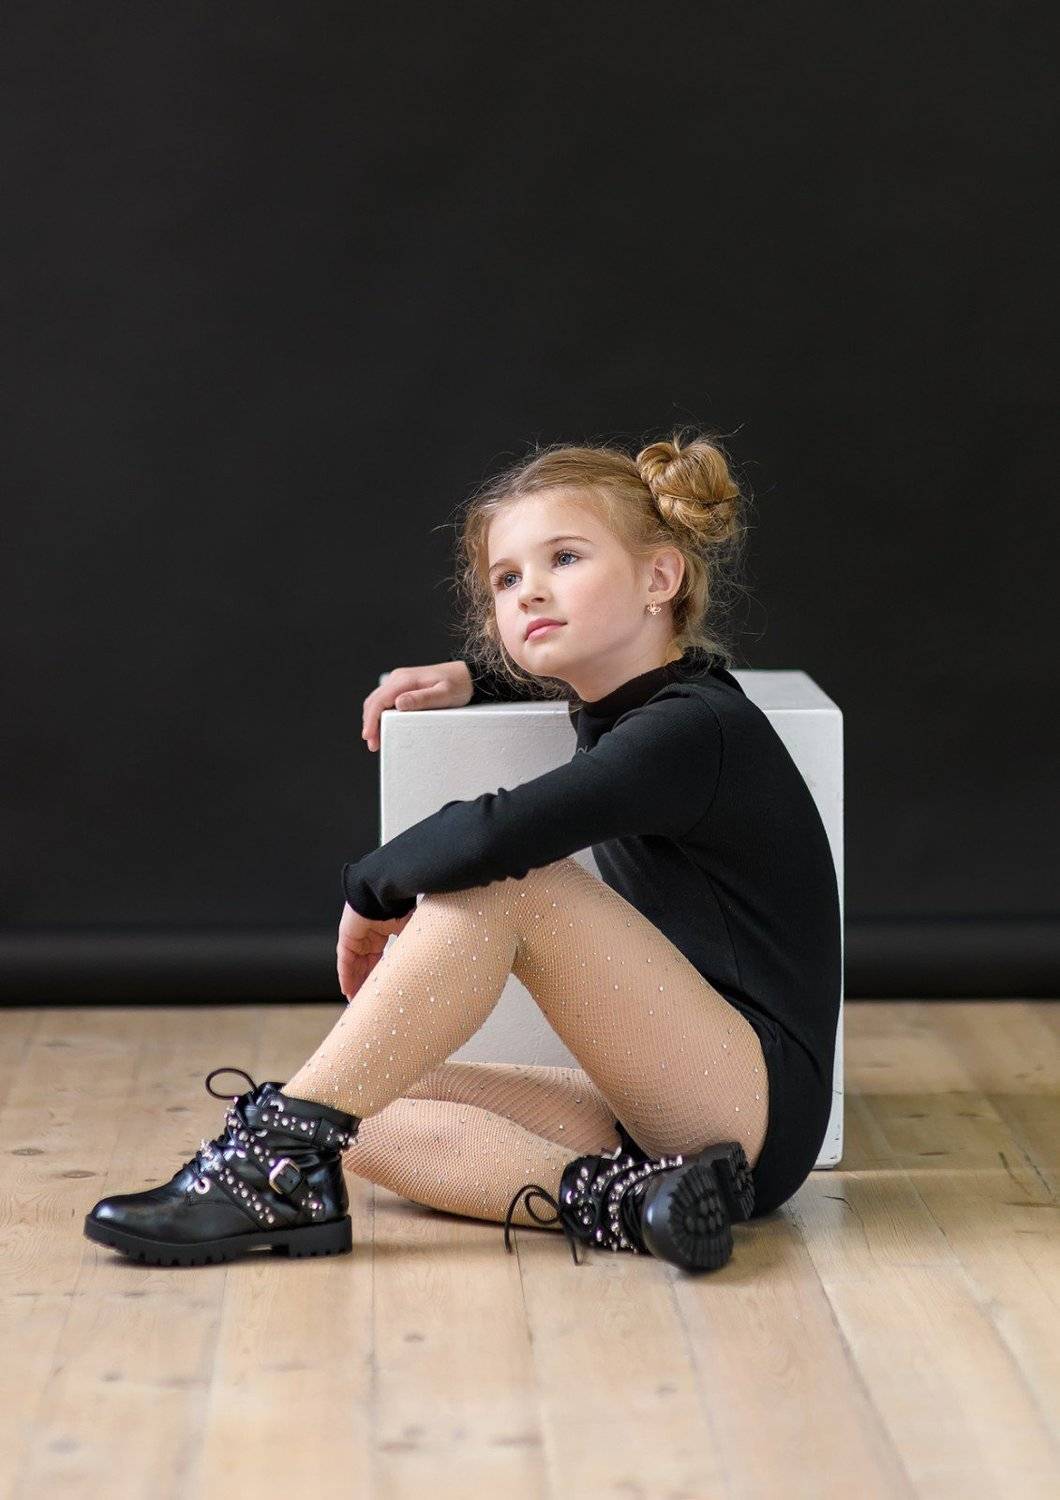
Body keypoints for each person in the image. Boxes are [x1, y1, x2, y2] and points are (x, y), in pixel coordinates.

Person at [83, 431, 841, 1274]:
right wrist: (478, 677)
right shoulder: (650, 707)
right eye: (507, 579)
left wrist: (369, 888)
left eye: (564, 558)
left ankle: (265, 1162)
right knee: (361, 1112)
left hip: (753, 1104)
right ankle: (638, 1203)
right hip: (679, 1108)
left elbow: (497, 832)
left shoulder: (695, 729)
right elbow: (602, 678)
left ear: (660, 579)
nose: (530, 590)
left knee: (512, 884)